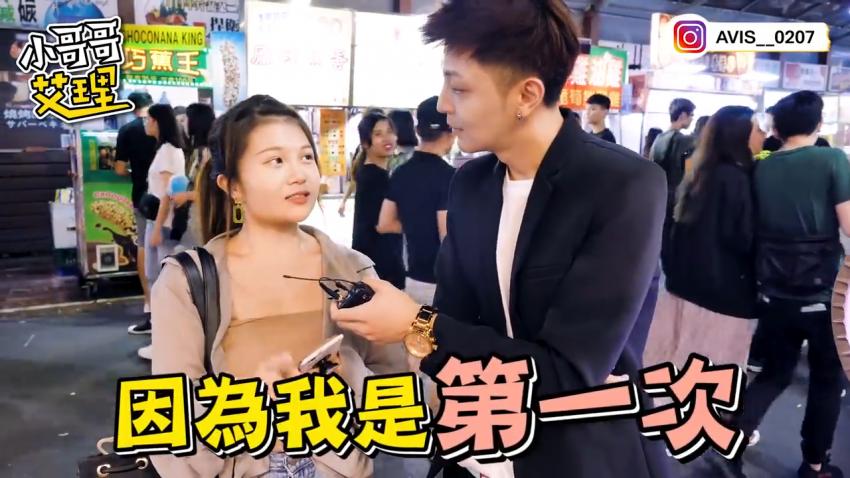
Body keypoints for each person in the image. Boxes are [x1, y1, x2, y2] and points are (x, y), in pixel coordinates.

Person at [330, 1, 670, 477]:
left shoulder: (622, 185)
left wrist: (414, 324)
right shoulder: (472, 183)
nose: (443, 105)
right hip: (477, 442)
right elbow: (451, 319)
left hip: (577, 453)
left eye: (459, 88)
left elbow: (569, 376)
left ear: (526, 94)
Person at [150, 95, 406, 478]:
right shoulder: (187, 281)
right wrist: (249, 406)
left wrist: (348, 378)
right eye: (276, 161)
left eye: (306, 157)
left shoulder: (354, 270)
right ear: (232, 186)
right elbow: (170, 418)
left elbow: (395, 386)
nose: (299, 174)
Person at [731, 91, 850, 478]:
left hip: (774, 289)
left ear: (778, 129)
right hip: (824, 293)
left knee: (774, 372)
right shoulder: (832, 159)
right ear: (818, 124)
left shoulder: (761, 167)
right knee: (826, 381)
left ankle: (731, 441)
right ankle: (814, 465)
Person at [644, 106, 764, 372]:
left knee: (675, 367)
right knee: (709, 375)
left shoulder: (701, 172)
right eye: (757, 129)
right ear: (739, 134)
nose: (763, 135)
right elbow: (742, 238)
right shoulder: (736, 179)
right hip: (722, 294)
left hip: (684, 286)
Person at [377, 96, 456, 305]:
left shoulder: (400, 172)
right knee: (441, 328)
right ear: (450, 132)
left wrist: (416, 225)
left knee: (416, 327)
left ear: (418, 130)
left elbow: (384, 224)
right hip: (441, 284)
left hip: (413, 279)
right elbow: (446, 237)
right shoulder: (449, 177)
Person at [137, 104, 185, 360]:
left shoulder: (167, 152)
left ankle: (164, 342)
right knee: (159, 279)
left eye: (149, 120)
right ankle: (164, 339)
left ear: (157, 122)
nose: (146, 124)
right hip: (160, 221)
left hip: (161, 222)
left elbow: (168, 194)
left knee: (160, 280)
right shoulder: (169, 150)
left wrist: (157, 227)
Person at [114, 92, 158, 336]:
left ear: (132, 107)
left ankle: (150, 307)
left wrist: (135, 171)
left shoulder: (127, 130)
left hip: (142, 196)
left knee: (144, 246)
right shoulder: (166, 126)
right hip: (169, 198)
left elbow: (119, 169)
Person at [350, 112, 406, 290]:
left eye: (390, 131)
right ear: (366, 142)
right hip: (380, 264)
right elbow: (382, 225)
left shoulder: (371, 172)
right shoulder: (375, 177)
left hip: (371, 263)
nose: (387, 138)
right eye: (378, 134)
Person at [650, 97, 696, 274]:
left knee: (662, 241)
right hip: (676, 198)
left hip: (659, 196)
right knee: (673, 245)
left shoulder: (659, 138)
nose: (691, 119)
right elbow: (688, 171)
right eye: (691, 115)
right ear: (683, 115)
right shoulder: (684, 141)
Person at [171, 103, 216, 251]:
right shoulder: (198, 150)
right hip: (196, 214)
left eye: (185, 119)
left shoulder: (206, 153)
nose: (182, 124)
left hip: (202, 215)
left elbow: (212, 190)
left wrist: (186, 196)